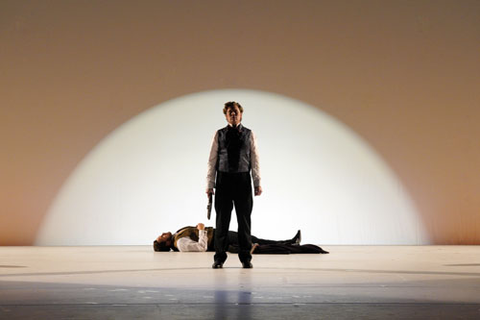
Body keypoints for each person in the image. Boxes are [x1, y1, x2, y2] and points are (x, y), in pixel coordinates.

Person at [206, 101, 262, 269]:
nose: (233, 114)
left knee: (244, 221)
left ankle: (246, 258)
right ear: (225, 115)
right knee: (222, 221)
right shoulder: (219, 134)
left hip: (243, 180)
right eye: (230, 112)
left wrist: (257, 182)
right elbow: (211, 161)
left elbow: (255, 160)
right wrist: (210, 184)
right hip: (223, 180)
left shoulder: (250, 134)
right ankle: (219, 258)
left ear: (241, 114)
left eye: (235, 112)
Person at [153, 223, 329, 255]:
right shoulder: (181, 243)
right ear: (166, 244)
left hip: (219, 234)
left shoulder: (177, 236)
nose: (163, 233)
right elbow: (201, 247)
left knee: (252, 237)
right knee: (251, 239)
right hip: (219, 239)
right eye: (162, 237)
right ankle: (290, 243)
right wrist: (201, 231)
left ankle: (289, 242)